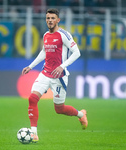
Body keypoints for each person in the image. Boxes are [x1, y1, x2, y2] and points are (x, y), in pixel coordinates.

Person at [22, 8, 88, 143]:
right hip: (45, 73)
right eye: (48, 18)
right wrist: (31, 66)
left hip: (60, 77)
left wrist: (62, 66)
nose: (50, 20)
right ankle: (34, 133)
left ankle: (81, 114)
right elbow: (43, 52)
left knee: (59, 109)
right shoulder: (46, 35)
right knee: (32, 98)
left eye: (52, 18)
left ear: (58, 20)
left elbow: (77, 53)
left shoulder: (64, 35)